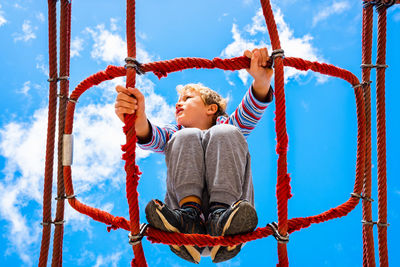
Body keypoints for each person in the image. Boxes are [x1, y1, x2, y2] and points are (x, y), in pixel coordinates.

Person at [114, 48, 274, 264]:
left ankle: (221, 215)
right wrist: (138, 118)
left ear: (211, 109)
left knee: (226, 133)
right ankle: (189, 216)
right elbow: (151, 136)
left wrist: (261, 83)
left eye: (187, 98)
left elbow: (249, 112)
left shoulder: (227, 125)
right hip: (185, 226)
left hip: (231, 222)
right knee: (184, 136)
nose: (178, 103)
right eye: (178, 101)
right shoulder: (176, 133)